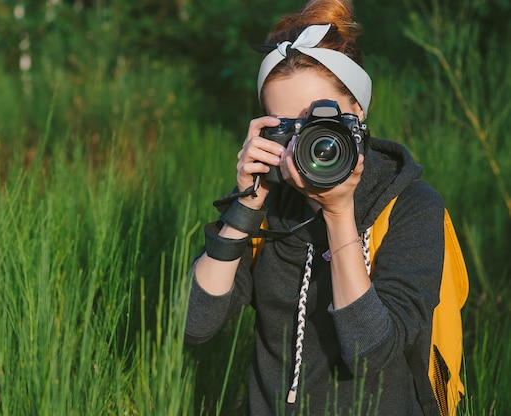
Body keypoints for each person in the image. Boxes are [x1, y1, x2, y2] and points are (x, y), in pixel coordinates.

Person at [184, 0, 446, 414]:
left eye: (321, 120)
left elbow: (372, 356)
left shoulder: (411, 205)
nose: (309, 143)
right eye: (287, 126)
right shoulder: (270, 203)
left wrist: (340, 216)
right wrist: (245, 205)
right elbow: (193, 326)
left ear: (359, 112)